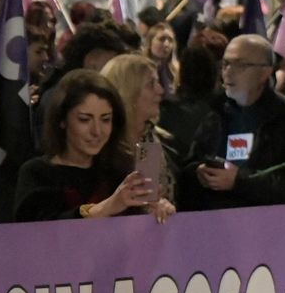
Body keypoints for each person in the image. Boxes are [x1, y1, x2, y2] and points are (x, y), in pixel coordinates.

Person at [13, 70, 174, 224]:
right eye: (84, 119)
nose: (97, 131)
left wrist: (153, 214)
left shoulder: (120, 171)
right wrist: (107, 207)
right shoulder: (36, 173)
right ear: (62, 120)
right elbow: (37, 233)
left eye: (105, 119)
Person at [183, 34, 285, 211]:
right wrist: (199, 172)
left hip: (267, 222)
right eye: (225, 64)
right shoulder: (216, 113)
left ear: (265, 73)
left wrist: (240, 182)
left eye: (241, 65)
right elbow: (190, 164)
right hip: (216, 221)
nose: (228, 71)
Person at [101, 53, 177, 204]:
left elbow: (148, 200)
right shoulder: (103, 148)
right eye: (151, 84)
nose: (160, 90)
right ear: (128, 93)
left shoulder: (148, 137)